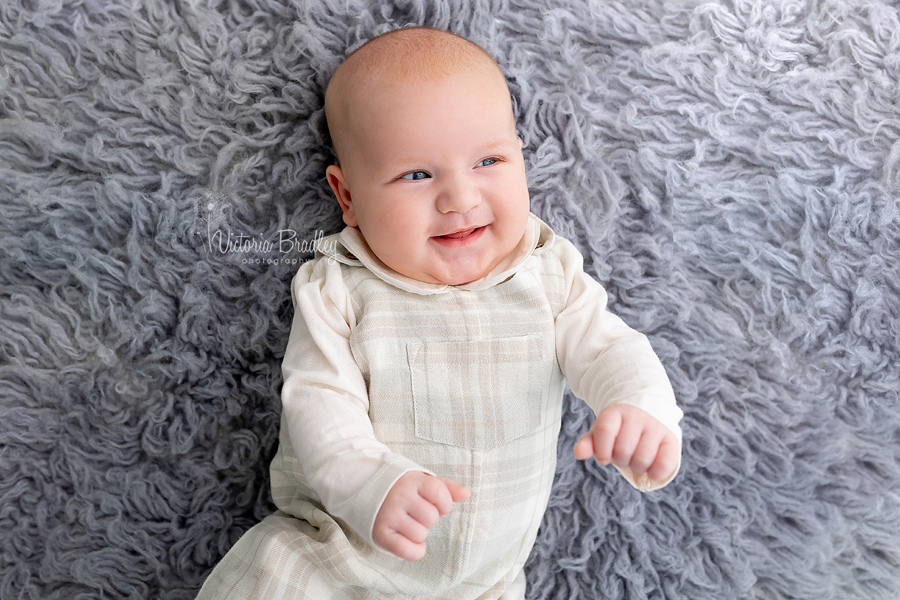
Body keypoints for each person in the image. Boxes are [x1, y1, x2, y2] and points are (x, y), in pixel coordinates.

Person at [196, 25, 683, 600]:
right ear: (347, 197)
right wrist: (372, 484)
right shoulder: (340, 291)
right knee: (273, 577)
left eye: (488, 160)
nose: (460, 198)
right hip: (340, 554)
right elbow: (318, 404)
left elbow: (611, 348)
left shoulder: (549, 275)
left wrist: (641, 408)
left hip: (487, 582)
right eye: (417, 175)